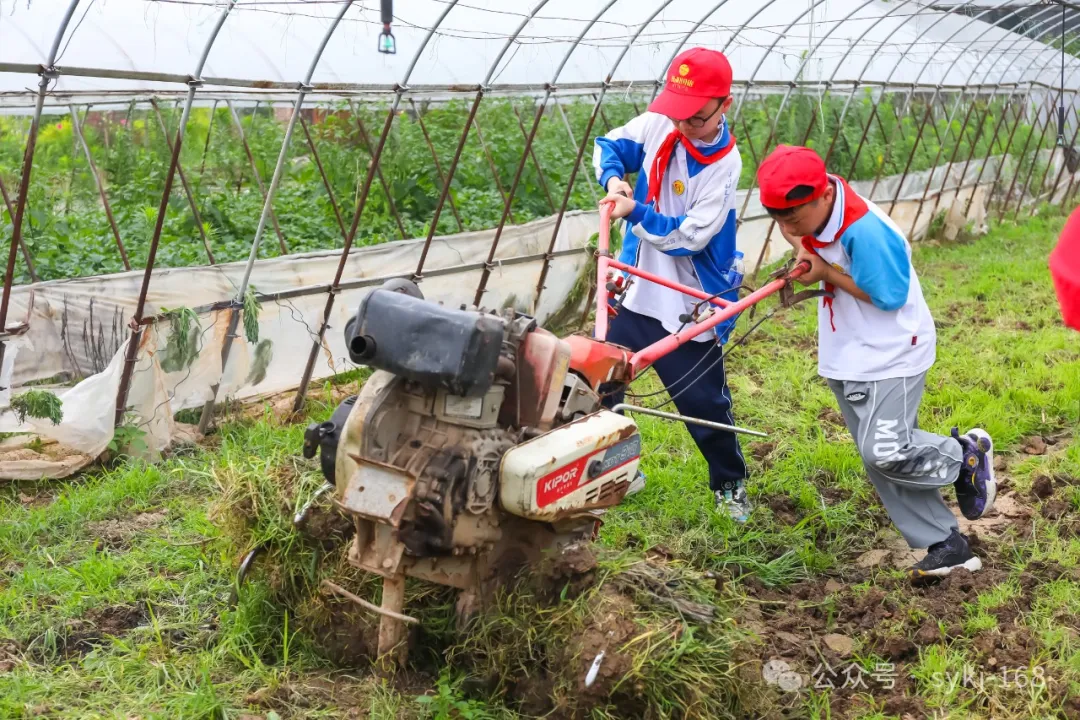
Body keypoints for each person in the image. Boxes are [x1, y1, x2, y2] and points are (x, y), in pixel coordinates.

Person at [755, 144, 996, 579]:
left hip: (892, 351)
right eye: (777, 216)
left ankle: (965, 457)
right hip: (848, 350)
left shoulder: (865, 231)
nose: (785, 225)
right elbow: (801, 234)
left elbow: (889, 298)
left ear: (824, 194)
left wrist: (825, 273)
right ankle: (947, 545)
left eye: (793, 215)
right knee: (880, 457)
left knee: (887, 450)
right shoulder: (813, 214)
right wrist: (802, 250)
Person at [592, 47, 750, 521]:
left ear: (725, 104)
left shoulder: (723, 166)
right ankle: (620, 471)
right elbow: (611, 144)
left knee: (703, 405)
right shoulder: (665, 123)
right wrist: (616, 179)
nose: (684, 127)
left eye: (696, 119)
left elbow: (686, 238)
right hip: (635, 288)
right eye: (678, 115)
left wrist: (633, 211)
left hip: (688, 302)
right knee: (603, 387)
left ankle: (729, 485)